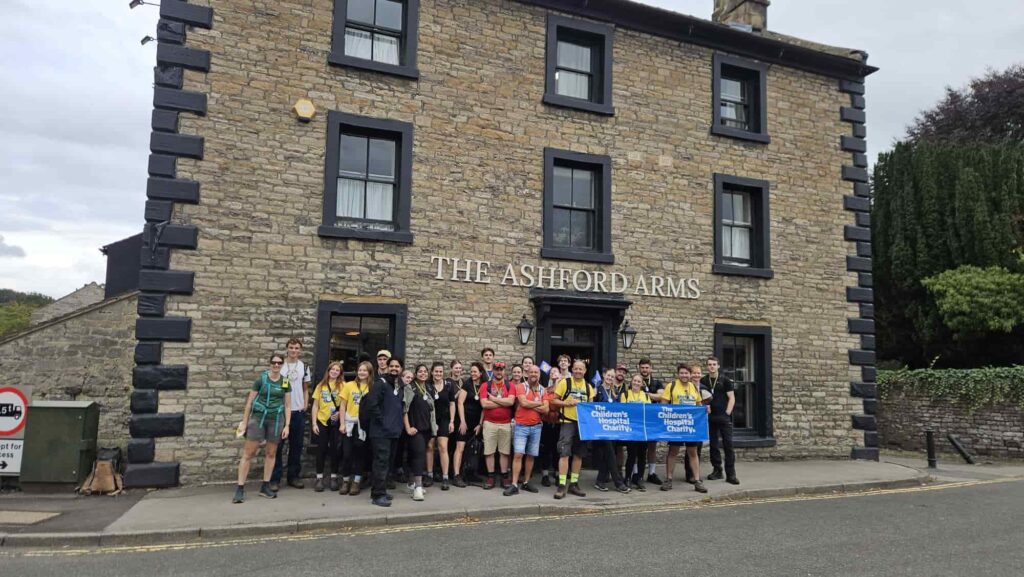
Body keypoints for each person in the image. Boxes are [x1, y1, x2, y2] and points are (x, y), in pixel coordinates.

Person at [233, 353, 292, 503]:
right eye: (274, 362)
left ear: (282, 365)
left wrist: (287, 425)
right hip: (258, 418)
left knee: (271, 453)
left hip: (276, 420)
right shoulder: (261, 379)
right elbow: (249, 402)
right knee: (249, 453)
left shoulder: (285, 382)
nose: (276, 365)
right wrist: (245, 422)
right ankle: (240, 488)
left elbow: (287, 405)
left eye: (279, 363)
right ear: (270, 363)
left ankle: (265, 486)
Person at [360, 355, 405, 507]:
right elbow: (372, 405)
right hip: (380, 432)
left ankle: (381, 490)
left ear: (401, 369)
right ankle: (377, 495)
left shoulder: (398, 386)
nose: (394, 368)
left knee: (387, 463)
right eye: (391, 366)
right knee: (380, 463)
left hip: (393, 432)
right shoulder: (380, 383)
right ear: (387, 366)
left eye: (397, 366)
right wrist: (383, 423)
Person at [549, 359, 595, 499]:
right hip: (567, 422)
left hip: (581, 424)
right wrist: (566, 403)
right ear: (572, 369)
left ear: (585, 371)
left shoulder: (588, 387)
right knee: (564, 454)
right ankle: (562, 485)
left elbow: (591, 408)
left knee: (578, 455)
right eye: (576, 368)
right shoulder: (564, 383)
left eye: (581, 369)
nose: (578, 371)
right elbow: (553, 401)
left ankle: (574, 484)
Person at [660, 363, 707, 493]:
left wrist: (705, 409)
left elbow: (698, 405)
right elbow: (663, 405)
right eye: (682, 373)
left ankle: (697, 481)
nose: (684, 375)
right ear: (678, 374)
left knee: (693, 453)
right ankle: (668, 480)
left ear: (690, 374)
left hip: (690, 426)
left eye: (686, 373)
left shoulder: (693, 387)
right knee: (673, 452)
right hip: (676, 426)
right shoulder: (672, 386)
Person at [271, 338, 311, 491]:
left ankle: (293, 476)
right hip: (281, 411)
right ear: (287, 349)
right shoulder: (280, 366)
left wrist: (305, 404)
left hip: (298, 412)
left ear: (300, 350)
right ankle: (275, 478)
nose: (294, 350)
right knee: (278, 446)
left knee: (296, 446)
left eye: (296, 348)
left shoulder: (304, 366)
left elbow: (305, 388)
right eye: (291, 348)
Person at [505, 365, 547, 495]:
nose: (534, 374)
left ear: (539, 374)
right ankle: (514, 484)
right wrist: (539, 403)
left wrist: (532, 405)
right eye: (531, 372)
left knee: (530, 455)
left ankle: (526, 482)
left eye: (536, 372)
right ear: (527, 373)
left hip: (536, 427)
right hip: (521, 426)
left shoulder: (542, 389)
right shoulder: (521, 387)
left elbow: (546, 410)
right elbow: (523, 403)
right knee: (518, 454)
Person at [701, 356, 739, 485]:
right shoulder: (703, 381)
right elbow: (700, 398)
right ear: (707, 366)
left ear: (718, 366)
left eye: (714, 364)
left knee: (728, 445)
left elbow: (731, 398)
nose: (711, 366)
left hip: (724, 417)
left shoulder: (725, 380)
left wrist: (728, 412)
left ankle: (731, 474)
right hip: (710, 418)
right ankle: (717, 470)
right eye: (709, 364)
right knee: (713, 446)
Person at [338, 361, 373, 496]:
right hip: (349, 423)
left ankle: (357, 481)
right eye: (360, 370)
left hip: (363, 426)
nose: (362, 372)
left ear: (369, 372)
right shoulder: (349, 385)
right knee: (347, 454)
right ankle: (346, 480)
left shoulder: (372, 387)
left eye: (365, 370)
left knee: (360, 454)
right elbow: (342, 406)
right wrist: (342, 423)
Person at [594, 367, 631, 493]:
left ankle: (600, 481)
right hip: (601, 428)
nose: (610, 378)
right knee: (610, 454)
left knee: (608, 455)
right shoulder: (598, 390)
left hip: (612, 428)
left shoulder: (613, 391)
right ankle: (618, 482)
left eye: (612, 376)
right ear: (604, 375)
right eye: (608, 375)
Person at [402, 368, 436, 501]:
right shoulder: (410, 388)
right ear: (416, 374)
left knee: (414, 455)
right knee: (419, 455)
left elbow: (432, 409)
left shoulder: (428, 388)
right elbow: (405, 409)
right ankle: (417, 488)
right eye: (420, 371)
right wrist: (408, 427)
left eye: (425, 372)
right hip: (415, 429)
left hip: (426, 428)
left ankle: (411, 483)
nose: (423, 373)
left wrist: (434, 427)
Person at [480, 361, 514, 489]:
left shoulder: (510, 385)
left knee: (504, 452)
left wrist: (493, 399)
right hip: (489, 423)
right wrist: (502, 402)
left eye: (501, 369)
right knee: (489, 451)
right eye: (497, 369)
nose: (499, 372)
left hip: (505, 423)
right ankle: (491, 476)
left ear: (504, 371)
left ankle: (504, 477)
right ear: (493, 370)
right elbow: (484, 404)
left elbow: (511, 402)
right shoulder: (485, 385)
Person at [311, 362, 344, 492]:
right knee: (321, 449)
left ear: (340, 373)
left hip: (335, 422)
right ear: (328, 370)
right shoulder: (321, 385)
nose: (334, 372)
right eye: (332, 369)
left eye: (337, 370)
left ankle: (334, 477)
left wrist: (339, 416)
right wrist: (314, 423)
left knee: (335, 450)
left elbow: (345, 405)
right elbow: (315, 405)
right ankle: (319, 477)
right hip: (322, 421)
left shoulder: (342, 386)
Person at [453, 361, 485, 487]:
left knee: (473, 449)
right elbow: (460, 403)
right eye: (471, 371)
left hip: (476, 422)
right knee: (460, 447)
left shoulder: (484, 385)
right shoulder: (467, 384)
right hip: (464, 421)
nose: (472, 374)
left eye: (475, 372)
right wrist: (462, 421)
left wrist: (480, 424)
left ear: (480, 373)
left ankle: (470, 473)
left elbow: (484, 407)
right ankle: (456, 475)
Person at [427, 362, 455, 490]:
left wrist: (452, 421)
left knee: (443, 446)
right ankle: (429, 475)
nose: (438, 374)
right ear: (432, 372)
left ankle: (445, 477)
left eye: (440, 372)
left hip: (444, 419)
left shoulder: (448, 386)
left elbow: (452, 404)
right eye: (436, 371)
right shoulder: (427, 386)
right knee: (430, 446)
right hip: (430, 420)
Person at [638, 358, 665, 486]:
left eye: (647, 367)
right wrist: (652, 395)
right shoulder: (635, 381)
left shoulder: (657, 382)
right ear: (639, 368)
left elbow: (661, 396)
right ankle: (636, 474)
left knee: (652, 447)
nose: (644, 370)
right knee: (638, 448)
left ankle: (651, 473)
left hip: (653, 419)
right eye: (642, 368)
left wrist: (645, 394)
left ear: (651, 368)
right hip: (638, 419)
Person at [621, 373, 650, 491]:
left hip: (642, 429)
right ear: (631, 382)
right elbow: (623, 410)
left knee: (642, 456)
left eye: (639, 381)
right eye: (635, 381)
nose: (636, 383)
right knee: (631, 455)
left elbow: (648, 411)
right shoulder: (625, 394)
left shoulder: (646, 396)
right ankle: (627, 477)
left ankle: (639, 478)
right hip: (631, 428)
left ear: (642, 384)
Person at [538, 365, 562, 487]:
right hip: (547, 422)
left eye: (556, 371)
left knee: (558, 450)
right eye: (552, 372)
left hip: (559, 423)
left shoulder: (564, 389)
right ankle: (545, 475)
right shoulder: (546, 390)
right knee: (546, 449)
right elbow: (550, 406)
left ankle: (558, 475)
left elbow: (560, 405)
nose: (554, 373)